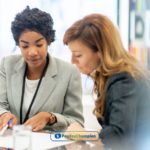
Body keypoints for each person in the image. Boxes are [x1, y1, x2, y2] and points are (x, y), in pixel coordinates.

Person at [63, 13, 150, 149]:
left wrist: (83, 134)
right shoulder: (108, 76)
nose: (73, 61)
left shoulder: (123, 79)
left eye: (78, 55)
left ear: (100, 52)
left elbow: (118, 134)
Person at [0, 6, 84, 132]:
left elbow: (77, 123)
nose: (32, 52)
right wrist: (4, 115)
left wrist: (51, 117)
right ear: (18, 44)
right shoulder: (7, 64)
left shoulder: (69, 73)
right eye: (25, 46)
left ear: (48, 41)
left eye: (39, 44)